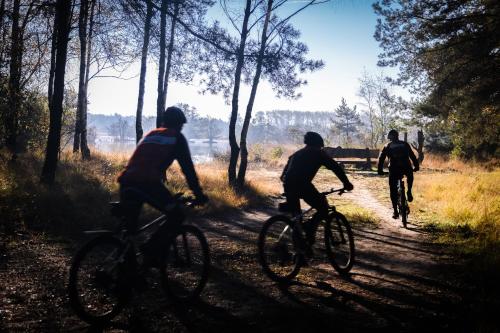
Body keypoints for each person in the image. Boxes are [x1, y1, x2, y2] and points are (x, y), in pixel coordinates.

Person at [117, 106, 208, 262]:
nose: (181, 128)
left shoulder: (151, 134)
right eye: (181, 125)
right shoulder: (176, 138)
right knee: (177, 215)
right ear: (179, 124)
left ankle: (126, 274)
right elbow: (188, 169)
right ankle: (150, 249)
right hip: (147, 184)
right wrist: (198, 194)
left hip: (126, 182)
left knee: (130, 232)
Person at [280, 131, 354, 246]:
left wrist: (288, 184)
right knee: (323, 208)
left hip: (288, 185)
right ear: (318, 144)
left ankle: (300, 252)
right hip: (303, 185)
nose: (321, 148)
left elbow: (283, 176)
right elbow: (335, 168)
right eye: (320, 145)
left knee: (296, 219)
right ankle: (309, 228)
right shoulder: (318, 153)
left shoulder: (297, 154)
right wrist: (346, 183)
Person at [377, 129, 419, 219]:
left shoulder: (387, 146)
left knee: (393, 190)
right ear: (397, 136)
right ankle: (409, 191)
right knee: (410, 175)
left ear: (389, 138)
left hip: (394, 169)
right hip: (406, 167)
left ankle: (395, 212)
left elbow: (381, 159)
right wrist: (416, 166)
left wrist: (379, 170)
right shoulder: (405, 144)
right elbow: (412, 156)